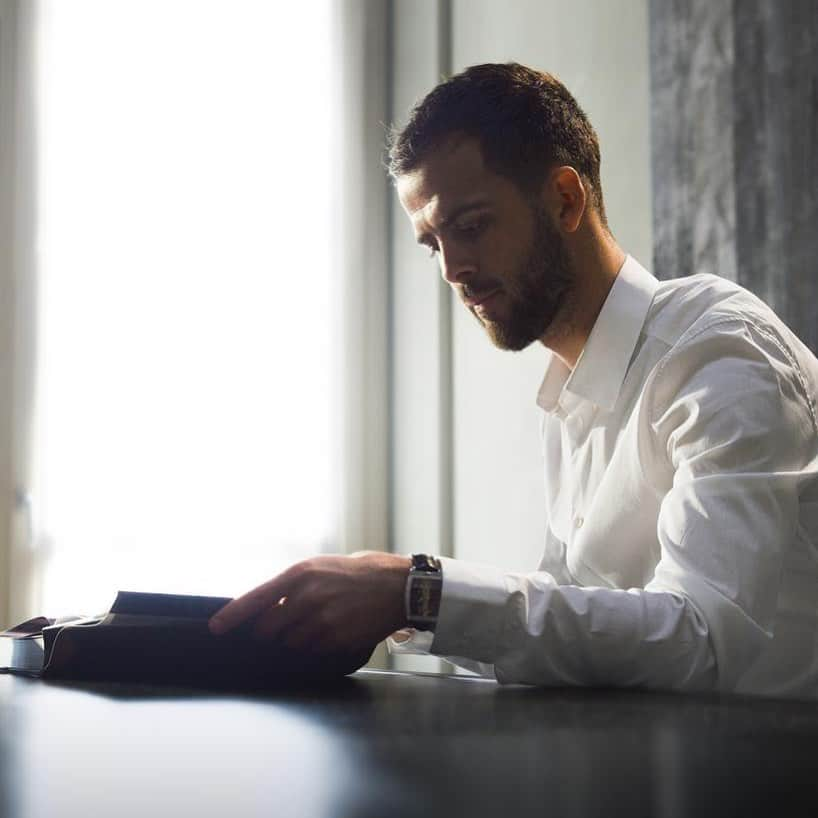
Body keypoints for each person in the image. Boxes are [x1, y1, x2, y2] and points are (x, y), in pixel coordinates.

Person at [209, 62, 818, 699]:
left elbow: (702, 640)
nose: (452, 270)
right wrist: (406, 606)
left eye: (469, 226)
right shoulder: (569, 390)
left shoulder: (720, 353)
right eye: (432, 244)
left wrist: (423, 594)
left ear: (565, 199)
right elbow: (585, 622)